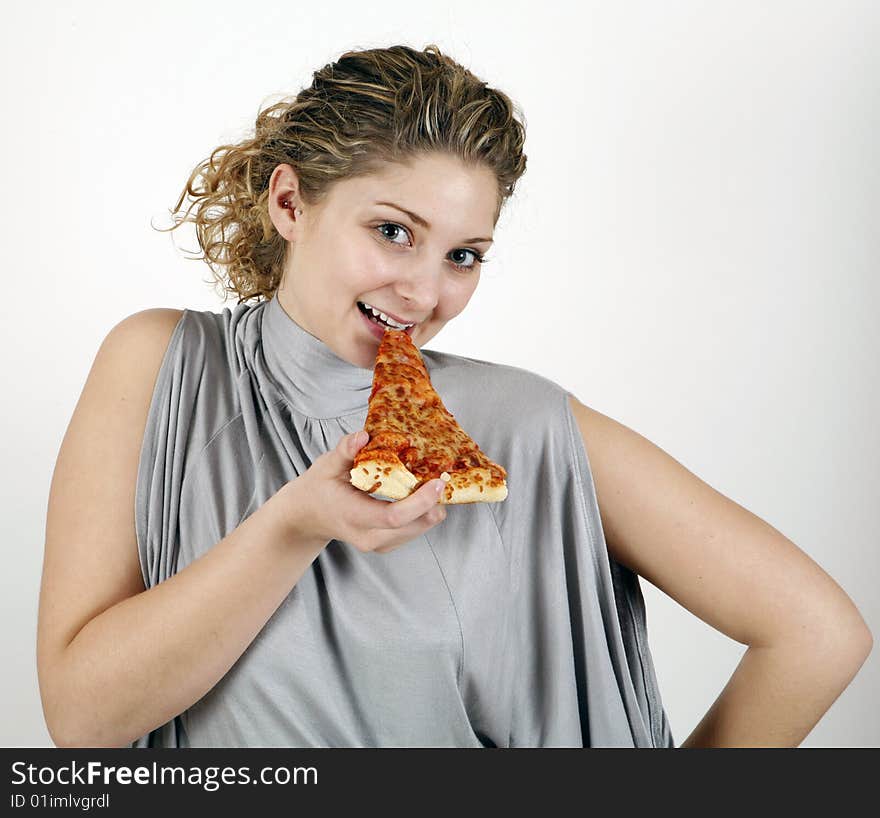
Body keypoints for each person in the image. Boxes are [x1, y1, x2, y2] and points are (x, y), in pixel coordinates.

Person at [37, 44, 871, 749]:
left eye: (464, 256)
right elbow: (82, 719)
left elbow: (818, 635)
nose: (423, 291)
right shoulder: (159, 362)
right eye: (393, 231)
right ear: (290, 202)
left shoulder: (523, 425)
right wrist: (296, 523)